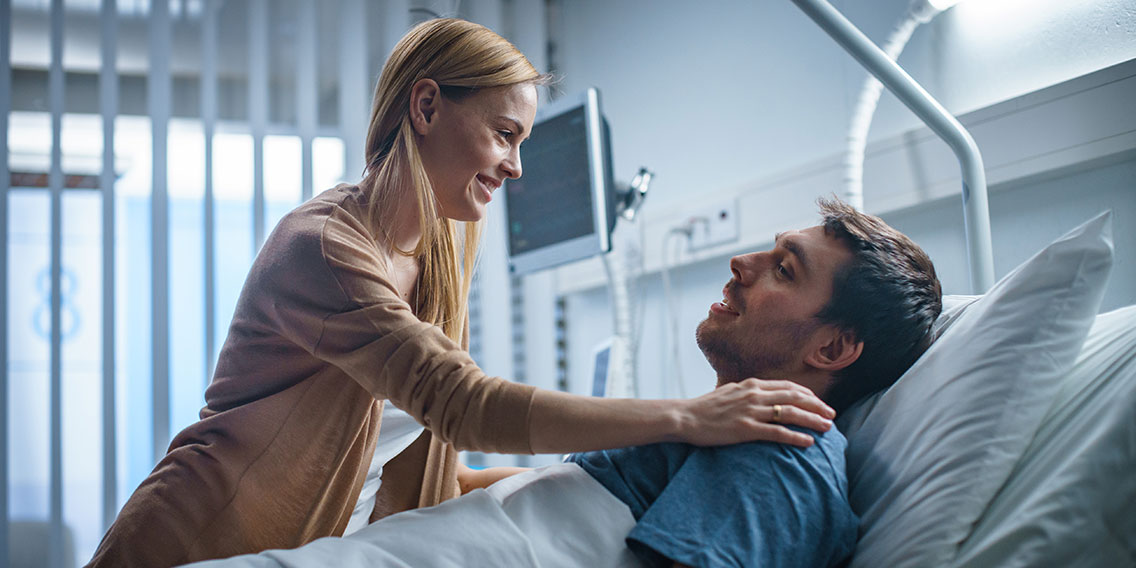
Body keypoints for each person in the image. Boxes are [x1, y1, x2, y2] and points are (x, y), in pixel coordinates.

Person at [86, 19, 833, 567]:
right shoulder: (324, 249)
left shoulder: (439, 248)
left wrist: (602, 477)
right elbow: (463, 402)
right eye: (505, 134)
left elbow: (431, 472)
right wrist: (686, 417)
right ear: (426, 106)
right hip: (189, 540)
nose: (515, 166)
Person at [190, 197, 942, 568]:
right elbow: (563, 505)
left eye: (784, 269)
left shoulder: (784, 453)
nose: (742, 264)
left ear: (836, 347)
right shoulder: (732, 432)